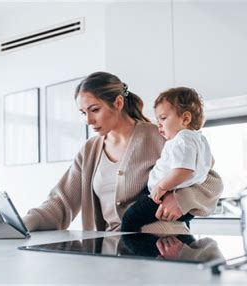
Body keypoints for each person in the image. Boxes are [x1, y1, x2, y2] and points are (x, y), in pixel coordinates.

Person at [23, 71, 223, 234]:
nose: (88, 121)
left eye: (94, 110)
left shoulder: (162, 135)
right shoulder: (89, 151)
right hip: (113, 254)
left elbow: (212, 181)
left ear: (118, 103)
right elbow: (60, 203)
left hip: (165, 248)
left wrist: (182, 199)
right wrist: (22, 223)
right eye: (84, 113)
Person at [121, 87, 215, 232]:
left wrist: (162, 186)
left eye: (163, 118)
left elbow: (183, 170)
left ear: (185, 118)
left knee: (129, 220)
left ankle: (131, 251)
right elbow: (210, 163)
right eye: (158, 120)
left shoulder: (182, 139)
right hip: (182, 205)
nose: (159, 124)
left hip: (162, 196)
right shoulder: (200, 139)